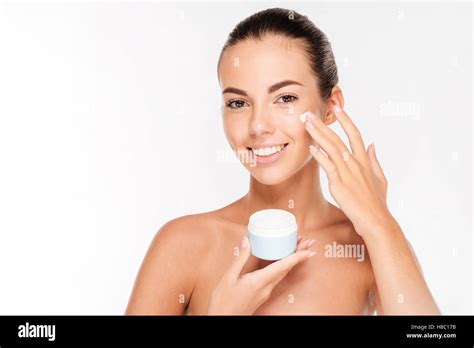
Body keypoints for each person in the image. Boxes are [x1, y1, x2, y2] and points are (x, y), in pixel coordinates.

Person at [126, 7, 440, 315]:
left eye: (285, 98)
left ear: (331, 106)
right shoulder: (183, 244)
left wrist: (379, 222)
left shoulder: (369, 247)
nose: (258, 125)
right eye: (238, 102)